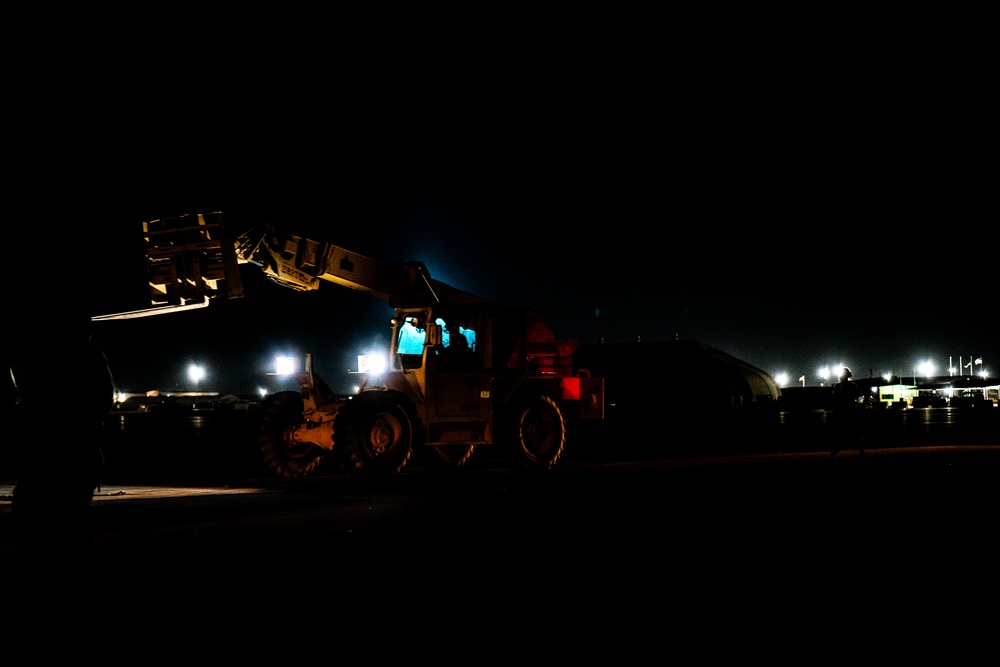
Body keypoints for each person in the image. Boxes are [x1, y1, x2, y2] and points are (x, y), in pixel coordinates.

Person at [9, 304, 116, 579]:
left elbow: (40, 406)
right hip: (73, 457)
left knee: (58, 526)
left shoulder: (69, 364)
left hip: (65, 458)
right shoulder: (84, 362)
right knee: (70, 528)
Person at [830, 366, 863, 460]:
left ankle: (834, 452)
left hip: (841, 413)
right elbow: (856, 397)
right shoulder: (853, 386)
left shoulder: (837, 386)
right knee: (856, 432)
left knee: (839, 434)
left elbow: (835, 400)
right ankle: (861, 451)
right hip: (851, 412)